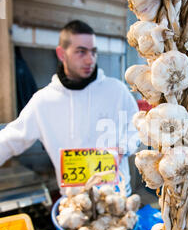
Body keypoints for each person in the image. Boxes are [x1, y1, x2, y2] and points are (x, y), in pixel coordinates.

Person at [0, 20, 139, 196]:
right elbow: (10, 138)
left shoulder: (116, 91)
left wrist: (123, 148)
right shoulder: (44, 101)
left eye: (93, 52)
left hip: (117, 198)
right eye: (81, 52)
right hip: (76, 204)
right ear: (61, 54)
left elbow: (137, 127)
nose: (90, 59)